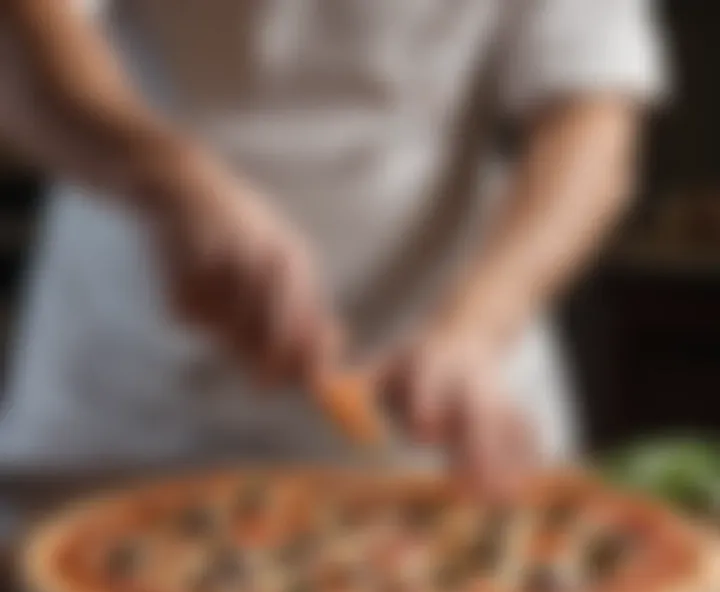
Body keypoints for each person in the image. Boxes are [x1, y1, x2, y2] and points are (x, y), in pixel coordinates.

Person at [0, 0, 666, 490]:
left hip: (444, 406)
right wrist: (175, 181)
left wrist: (476, 326)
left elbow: (591, 129)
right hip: (127, 397)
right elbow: (22, 49)